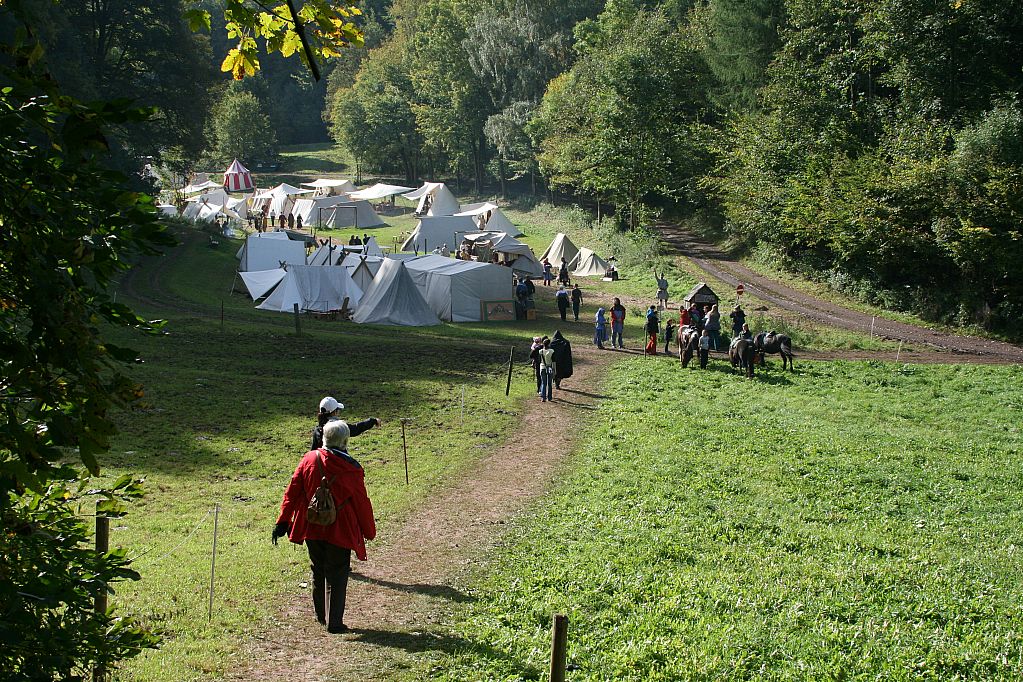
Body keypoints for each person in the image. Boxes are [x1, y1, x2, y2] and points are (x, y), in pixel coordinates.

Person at [272, 420, 376, 634]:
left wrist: (283, 521)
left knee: (318, 568)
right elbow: (361, 502)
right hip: (341, 528)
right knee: (338, 572)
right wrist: (369, 530)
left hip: (311, 524)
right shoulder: (352, 468)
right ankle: (334, 622)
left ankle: (321, 615)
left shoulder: (308, 459)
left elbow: (292, 492)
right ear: (345, 441)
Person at [311, 396, 380, 450]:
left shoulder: (317, 430)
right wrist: (372, 421)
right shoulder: (338, 427)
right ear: (334, 412)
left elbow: (313, 450)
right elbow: (356, 429)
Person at [538, 338, 556, 402]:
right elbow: (553, 362)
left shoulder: (540, 351)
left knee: (543, 383)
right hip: (549, 368)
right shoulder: (551, 351)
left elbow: (539, 360)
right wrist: (554, 370)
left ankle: (543, 397)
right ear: (549, 344)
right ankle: (549, 397)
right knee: (549, 383)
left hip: (542, 367)